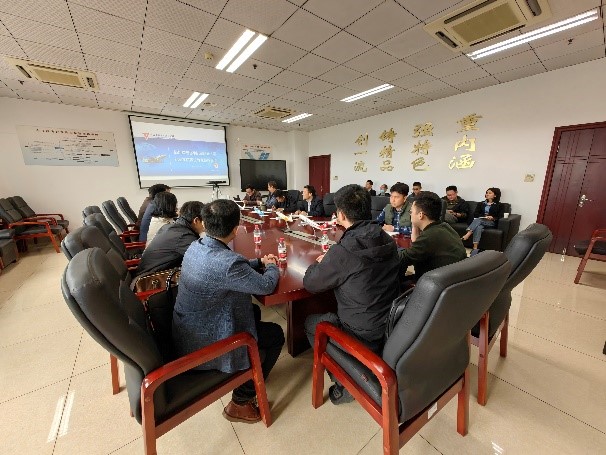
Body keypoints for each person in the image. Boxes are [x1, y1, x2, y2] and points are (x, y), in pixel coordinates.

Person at [172, 199, 284, 423]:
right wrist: (272, 266)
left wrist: (257, 262)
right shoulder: (227, 264)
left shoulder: (197, 245)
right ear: (236, 229)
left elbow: (227, 269)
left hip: (188, 328)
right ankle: (241, 401)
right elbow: (265, 286)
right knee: (275, 334)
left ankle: (255, 372)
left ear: (205, 224)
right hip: (206, 342)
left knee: (253, 311)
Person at [303, 184, 400, 404]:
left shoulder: (344, 251)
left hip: (360, 331)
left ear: (341, 215)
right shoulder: (387, 239)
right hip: (391, 324)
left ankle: (346, 382)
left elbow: (311, 283)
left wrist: (320, 263)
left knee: (312, 323)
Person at [398, 191, 467, 286]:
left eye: (411, 212)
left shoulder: (429, 236)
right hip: (452, 282)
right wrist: (414, 226)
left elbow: (402, 259)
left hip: (434, 286)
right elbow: (416, 248)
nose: (410, 215)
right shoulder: (444, 226)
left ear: (420, 215)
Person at [135, 201, 204, 277]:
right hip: (151, 279)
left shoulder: (170, 227)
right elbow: (204, 261)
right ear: (196, 220)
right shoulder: (184, 237)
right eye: (205, 221)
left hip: (147, 274)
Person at [461, 187, 504, 253]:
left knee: (479, 220)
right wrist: (485, 216)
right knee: (479, 227)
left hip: (491, 222)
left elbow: (500, 216)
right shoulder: (481, 204)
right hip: (481, 220)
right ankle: (475, 248)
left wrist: (492, 218)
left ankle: (468, 234)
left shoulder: (500, 205)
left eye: (489, 193)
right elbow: (475, 214)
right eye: (487, 193)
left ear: (495, 195)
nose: (487, 194)